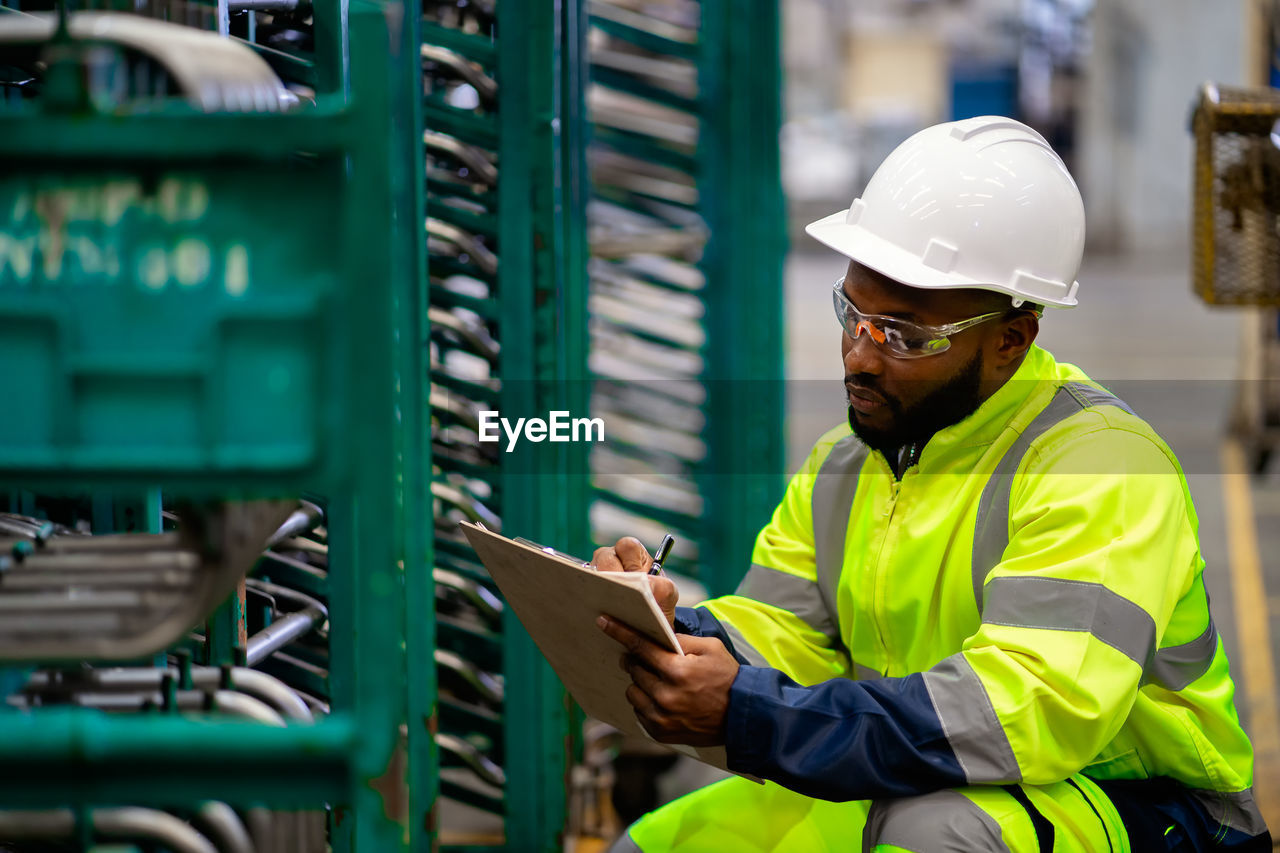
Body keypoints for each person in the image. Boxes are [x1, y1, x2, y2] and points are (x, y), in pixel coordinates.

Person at [592, 116, 1272, 851]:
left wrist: (755, 713)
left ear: (1012, 339)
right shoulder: (846, 463)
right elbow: (786, 633)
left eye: (905, 335)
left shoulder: (1100, 466)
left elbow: (1023, 714)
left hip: (1139, 807)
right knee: (672, 840)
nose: (859, 357)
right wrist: (675, 631)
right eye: (853, 314)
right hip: (924, 767)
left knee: (932, 831)